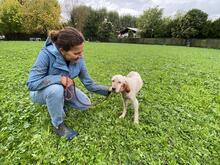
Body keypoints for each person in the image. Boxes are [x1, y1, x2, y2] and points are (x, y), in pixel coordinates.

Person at [27, 27, 111, 140]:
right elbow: (31, 84)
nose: (81, 55)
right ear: (62, 51)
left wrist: (109, 89)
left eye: (82, 51)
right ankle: (58, 125)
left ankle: (58, 103)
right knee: (56, 90)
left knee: (85, 104)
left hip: (64, 90)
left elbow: (89, 83)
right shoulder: (46, 54)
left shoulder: (79, 59)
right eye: (77, 53)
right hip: (41, 92)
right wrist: (58, 79)